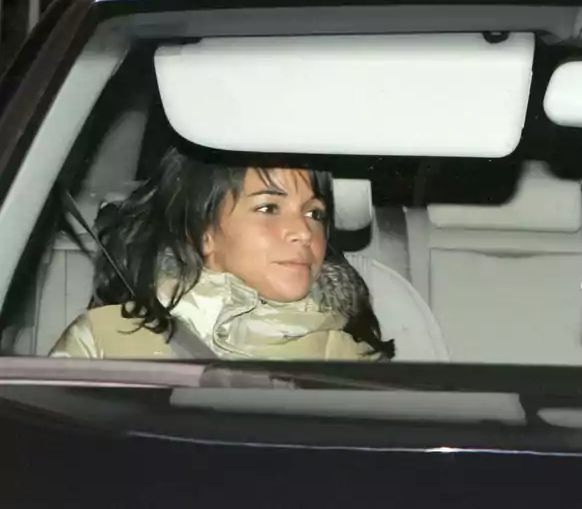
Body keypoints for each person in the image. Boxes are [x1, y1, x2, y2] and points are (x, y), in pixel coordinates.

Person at [51, 143, 393, 361]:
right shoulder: (106, 344)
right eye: (269, 208)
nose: (304, 232)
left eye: (314, 213)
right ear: (204, 233)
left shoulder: (352, 361)